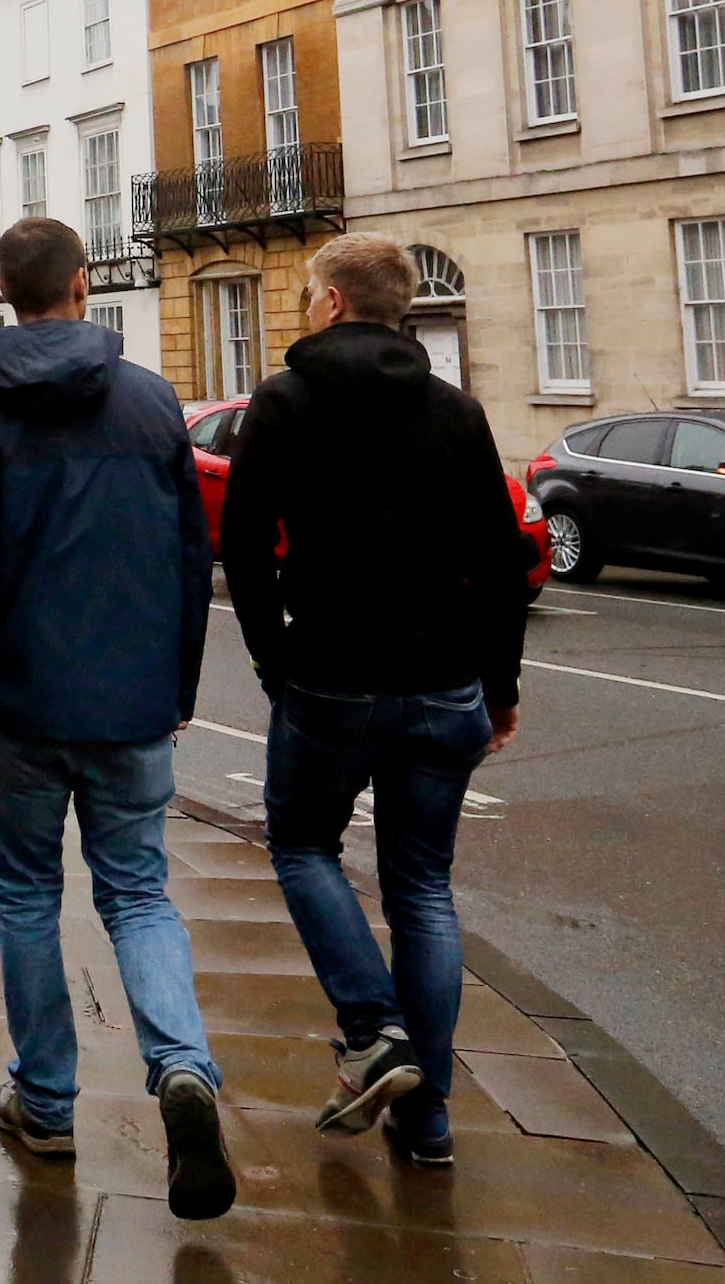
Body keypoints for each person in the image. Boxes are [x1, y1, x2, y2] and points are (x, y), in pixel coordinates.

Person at [0, 217, 234, 1221]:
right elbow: (192, 560)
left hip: (24, 701)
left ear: (5, 293)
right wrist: (176, 690)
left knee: (23, 896)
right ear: (83, 285)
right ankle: (182, 1065)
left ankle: (46, 1101)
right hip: (132, 701)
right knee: (139, 895)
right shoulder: (151, 400)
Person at [219, 233, 536, 1169]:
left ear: (331, 302)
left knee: (303, 843)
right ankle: (427, 1121)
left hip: (330, 677)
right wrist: (501, 686)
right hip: (444, 683)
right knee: (424, 892)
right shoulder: (456, 412)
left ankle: (372, 1027)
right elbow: (501, 561)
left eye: (311, 293)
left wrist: (278, 665)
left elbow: (242, 547)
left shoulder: (283, 402)